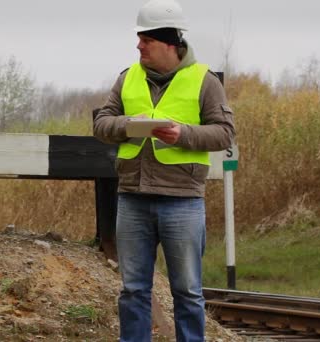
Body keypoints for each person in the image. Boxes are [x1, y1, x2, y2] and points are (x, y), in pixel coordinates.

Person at [93, 0, 235, 341]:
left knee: (187, 292)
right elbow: (101, 124)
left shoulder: (205, 80)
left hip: (182, 202)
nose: (138, 45)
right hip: (132, 198)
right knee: (133, 290)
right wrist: (129, 124)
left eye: (146, 40)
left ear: (170, 44)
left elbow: (225, 132)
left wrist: (182, 134)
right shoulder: (127, 78)